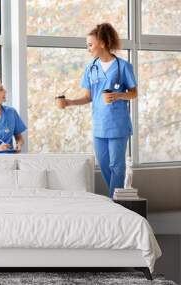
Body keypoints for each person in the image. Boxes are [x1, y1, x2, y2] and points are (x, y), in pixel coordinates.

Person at [56, 23, 137, 198]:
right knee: (105, 164)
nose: (88, 49)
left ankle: (113, 202)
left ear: (102, 43)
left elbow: (133, 93)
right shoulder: (90, 68)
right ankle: (116, 196)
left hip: (117, 124)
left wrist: (118, 95)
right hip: (99, 124)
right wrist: (69, 102)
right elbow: (88, 97)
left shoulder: (123, 66)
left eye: (90, 44)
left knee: (117, 165)